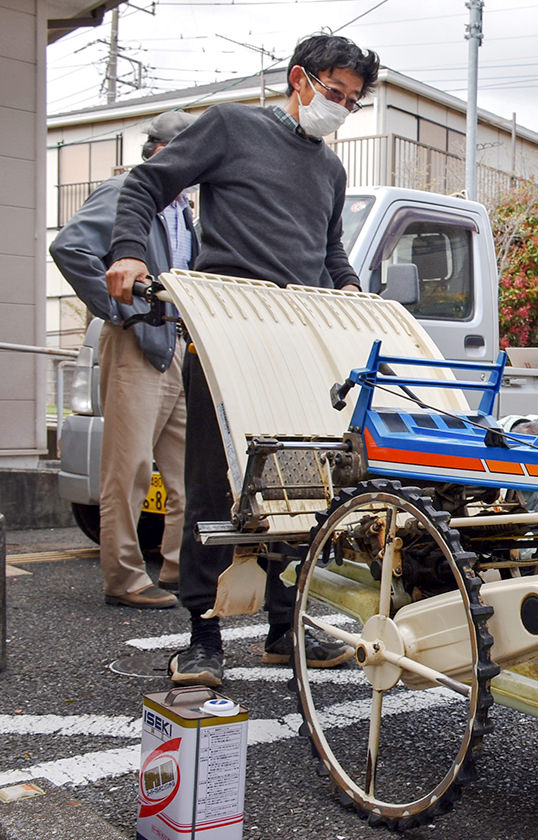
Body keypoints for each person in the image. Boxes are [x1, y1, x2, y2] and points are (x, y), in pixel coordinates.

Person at [105, 33, 381, 688]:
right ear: (299, 79)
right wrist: (127, 251)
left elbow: (329, 250)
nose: (338, 108)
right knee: (213, 486)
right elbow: (145, 184)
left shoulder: (331, 172)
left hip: (296, 337)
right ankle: (203, 636)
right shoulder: (231, 127)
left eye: (350, 101)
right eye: (333, 93)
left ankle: (284, 628)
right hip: (225, 329)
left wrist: (348, 288)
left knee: (297, 484)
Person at [50, 111, 199, 610]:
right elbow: (70, 247)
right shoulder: (127, 192)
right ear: (158, 152)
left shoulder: (182, 212)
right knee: (129, 467)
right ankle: (125, 578)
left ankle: (178, 567)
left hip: (176, 345)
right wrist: (122, 311)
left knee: (186, 473)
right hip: (137, 341)